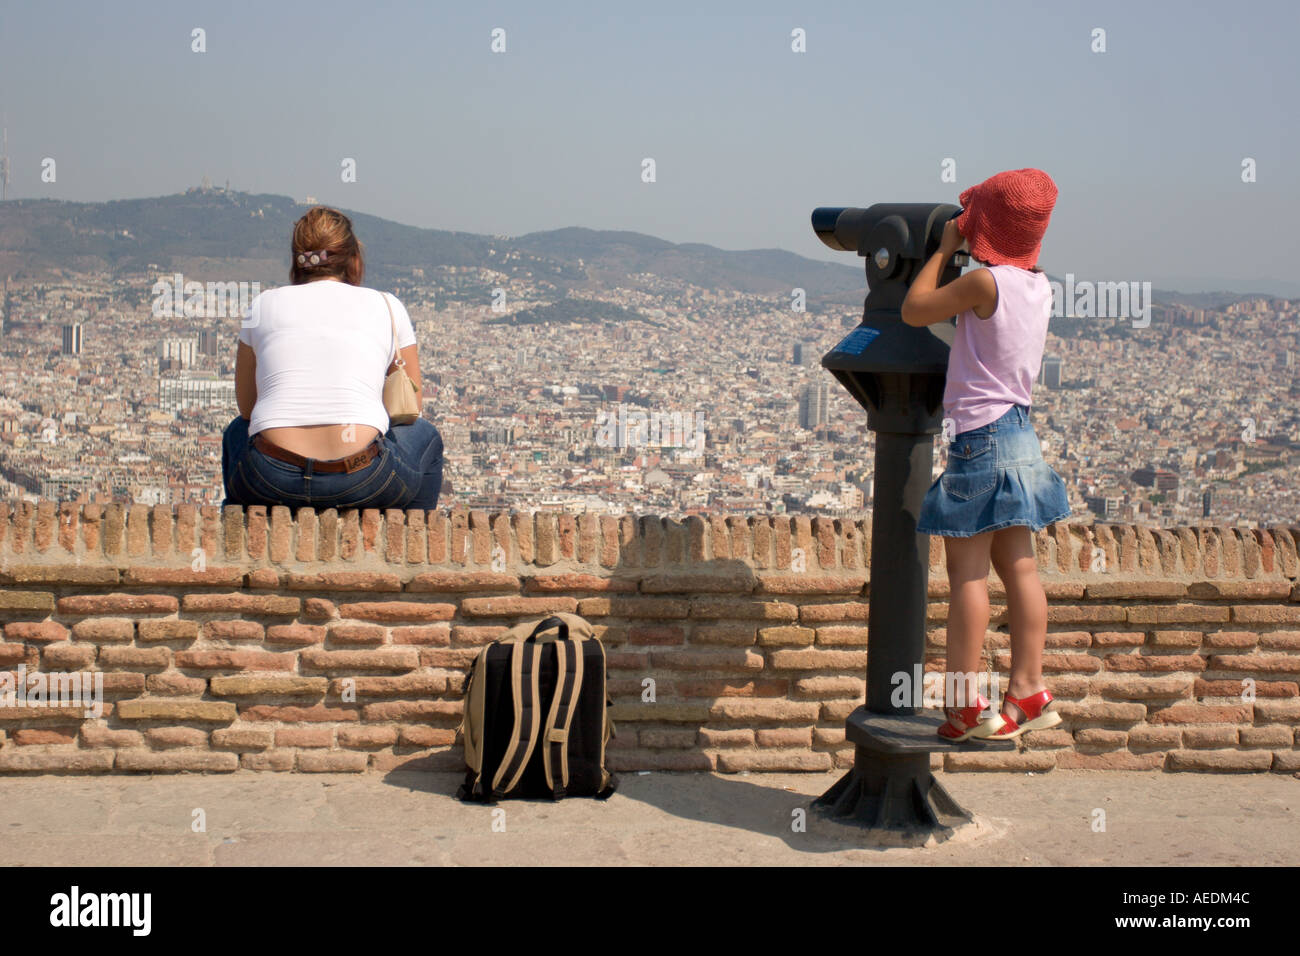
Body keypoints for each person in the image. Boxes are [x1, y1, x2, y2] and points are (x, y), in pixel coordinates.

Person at [900, 168, 1070, 742]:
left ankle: (964, 703)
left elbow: (915, 309)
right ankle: (1028, 688)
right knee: (1019, 568)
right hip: (1022, 435)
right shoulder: (1040, 285)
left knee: (966, 576)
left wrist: (946, 248)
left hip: (980, 438)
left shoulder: (984, 284)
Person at [221, 206, 445, 511]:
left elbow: (247, 409)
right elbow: (410, 409)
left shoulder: (263, 305)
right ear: (354, 259)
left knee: (236, 431)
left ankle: (241, 533)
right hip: (362, 478)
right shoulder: (386, 306)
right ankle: (412, 543)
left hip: (270, 477)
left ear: (297, 261)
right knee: (426, 436)